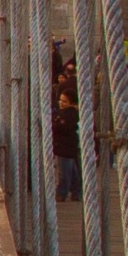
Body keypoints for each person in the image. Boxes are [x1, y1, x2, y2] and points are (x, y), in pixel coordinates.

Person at [53, 64, 82, 203]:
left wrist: (54, 125)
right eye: (60, 101)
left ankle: (61, 193)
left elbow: (64, 127)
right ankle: (76, 192)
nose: (61, 103)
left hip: (65, 147)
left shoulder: (69, 114)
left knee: (64, 173)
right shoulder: (66, 113)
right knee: (73, 171)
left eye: (64, 101)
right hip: (67, 146)